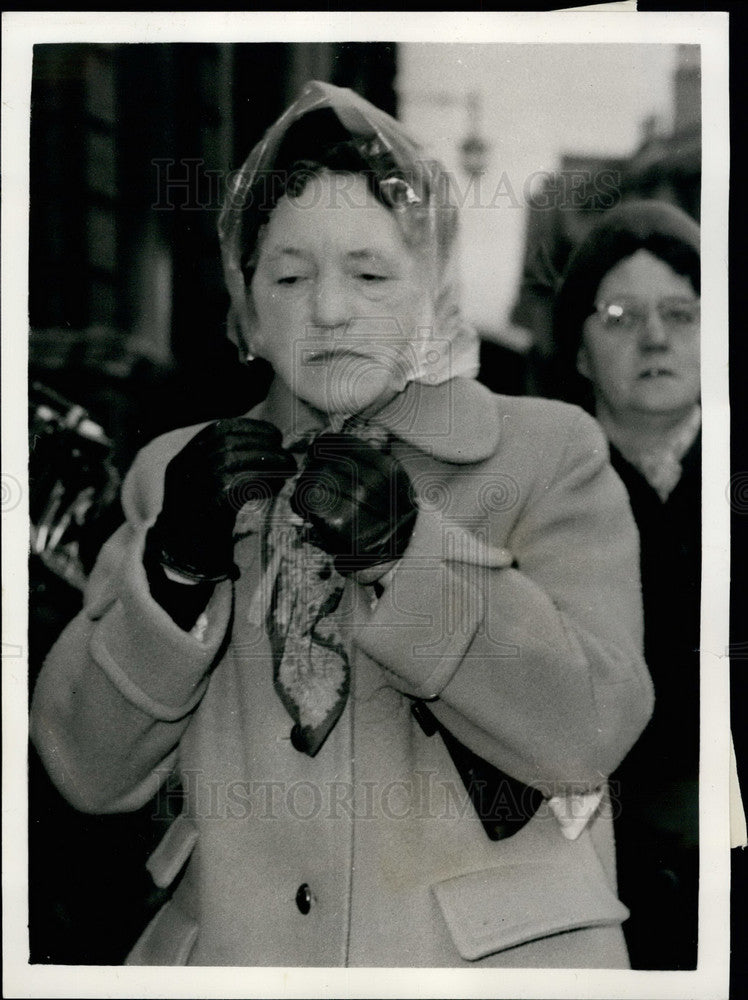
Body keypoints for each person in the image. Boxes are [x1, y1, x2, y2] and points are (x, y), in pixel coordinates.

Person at [30, 81, 654, 968]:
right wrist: (169, 576)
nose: (328, 310)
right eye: (289, 275)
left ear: (430, 286)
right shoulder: (176, 473)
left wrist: (410, 559)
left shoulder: (544, 454)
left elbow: (589, 729)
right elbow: (87, 772)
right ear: (245, 300)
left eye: (369, 273)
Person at [551, 199, 701, 970]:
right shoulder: (537, 498)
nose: (654, 337)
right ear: (577, 350)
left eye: (681, 311)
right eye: (618, 315)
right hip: (580, 870)